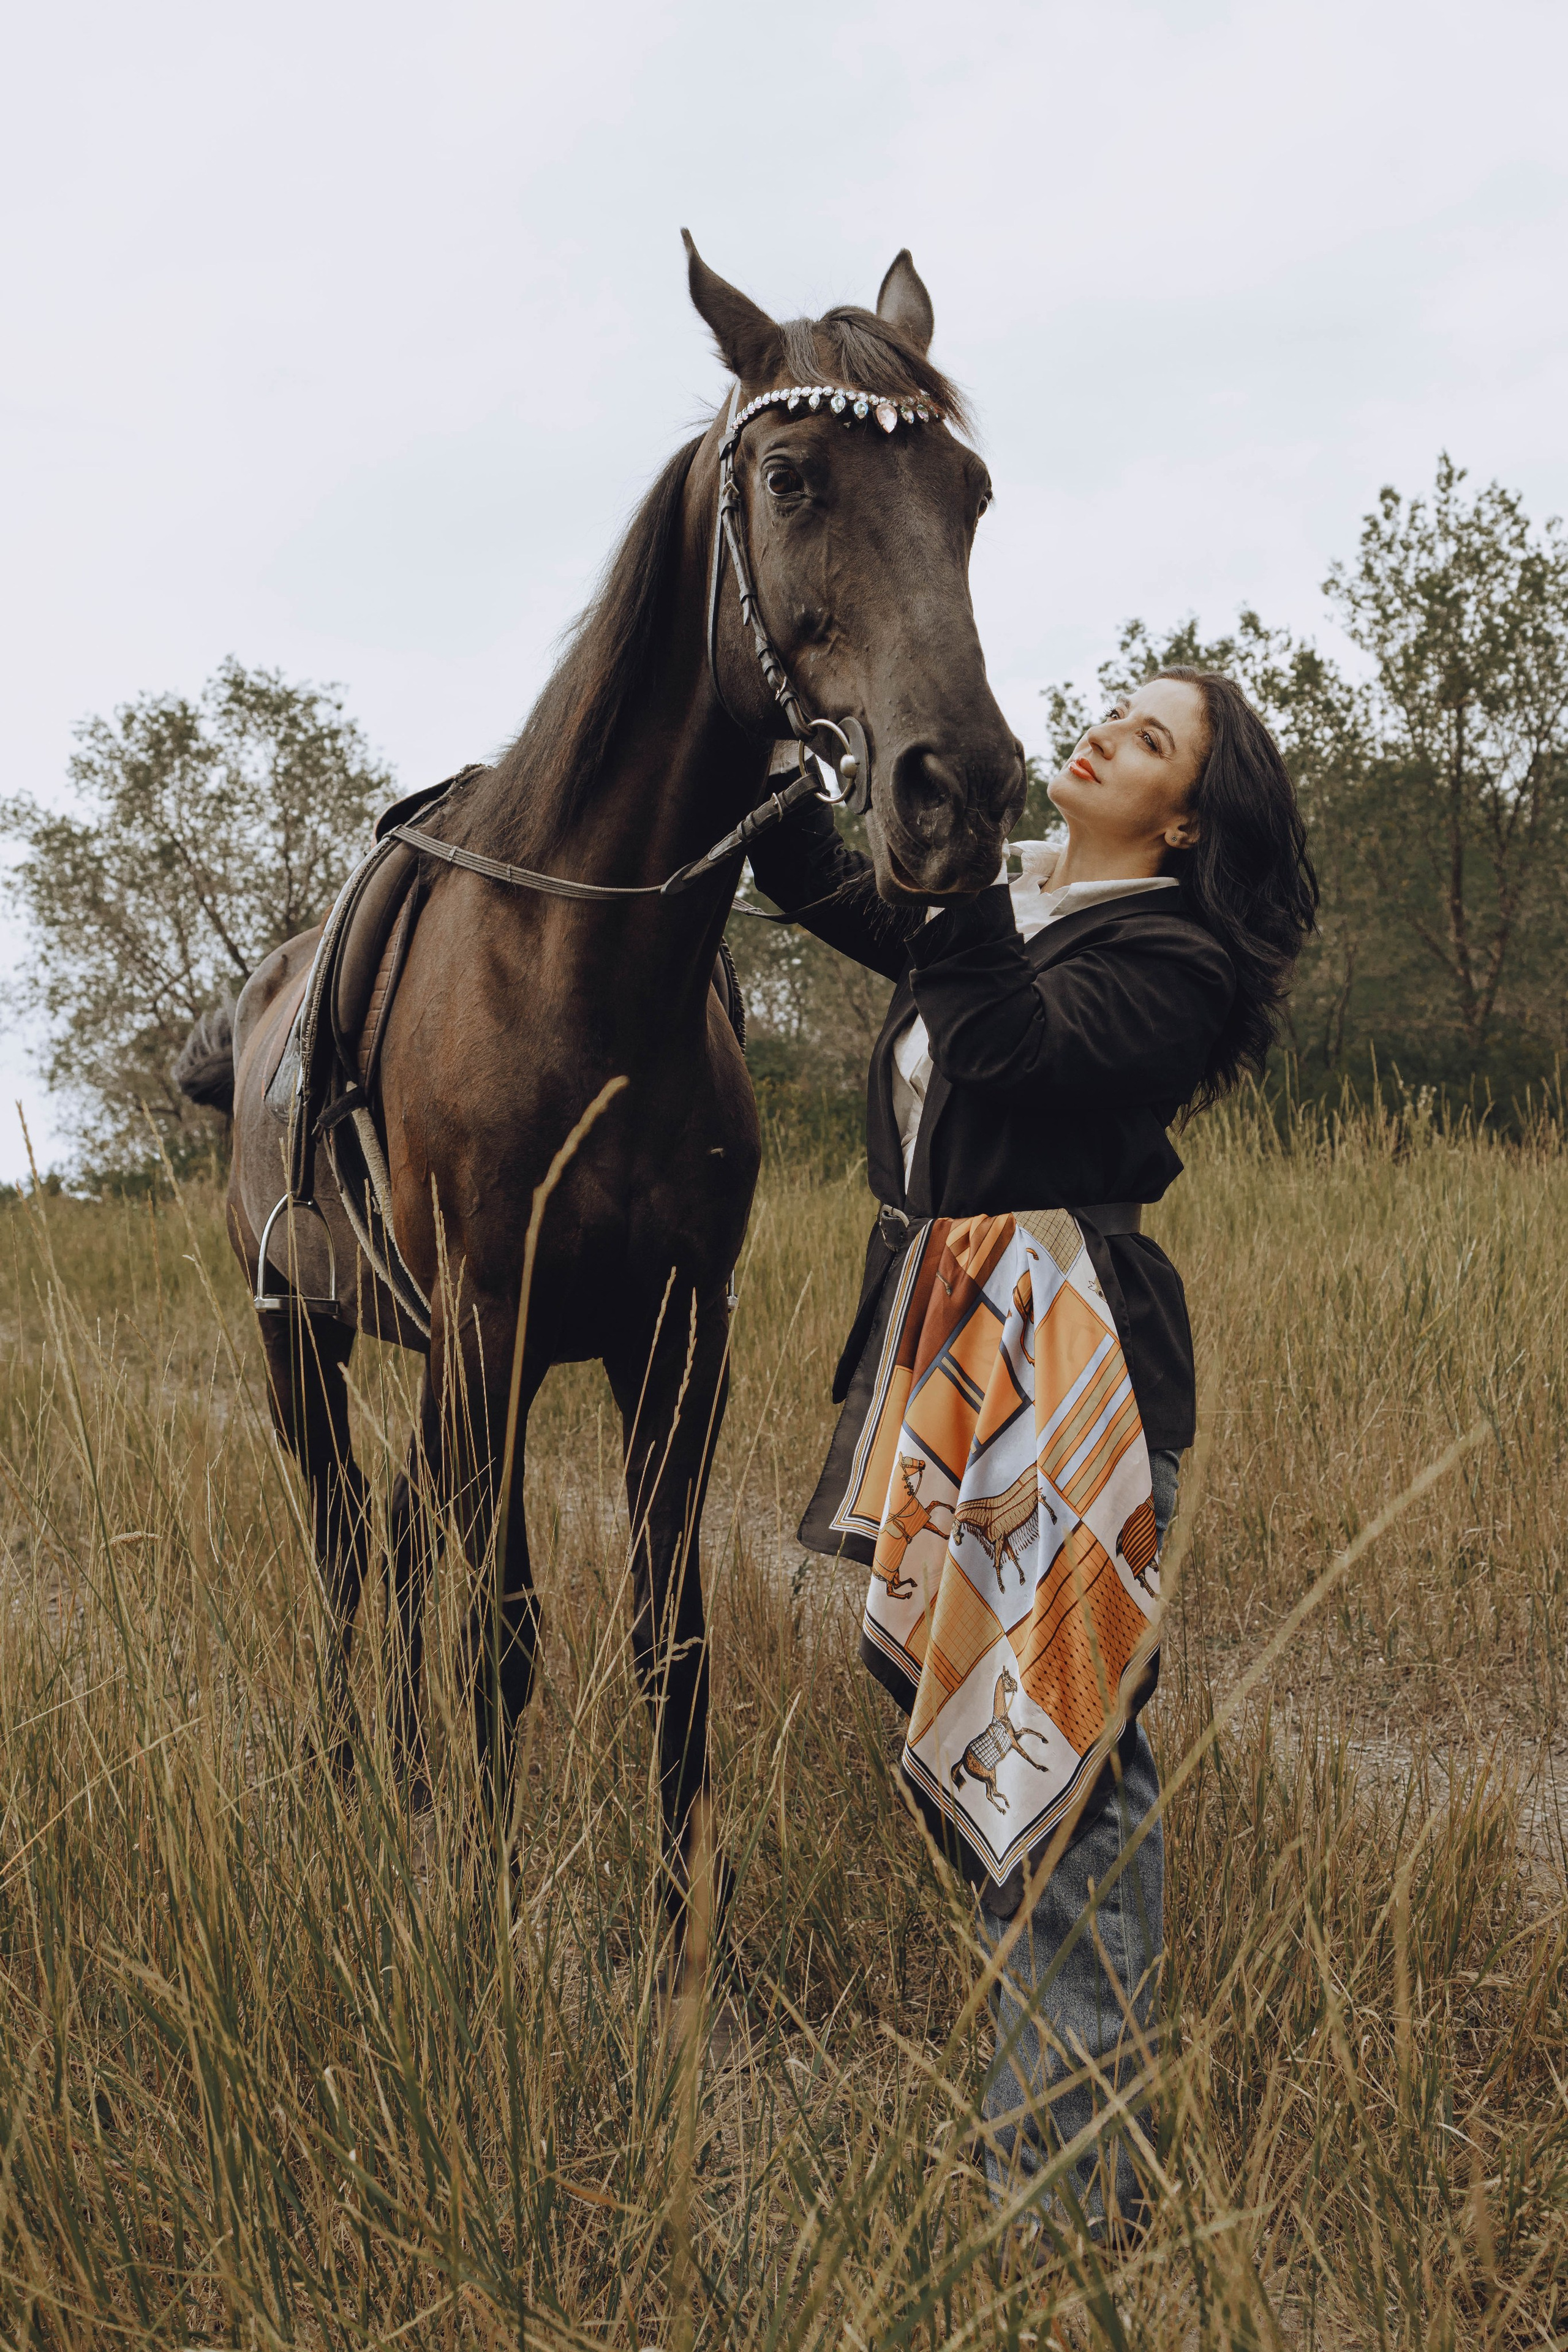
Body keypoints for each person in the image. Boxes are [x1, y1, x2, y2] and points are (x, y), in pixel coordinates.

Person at [747, 667, 1316, 2244]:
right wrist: (775, 752)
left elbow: (1000, 1049)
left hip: (1074, 1365)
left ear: (1184, 818)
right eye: (1116, 708)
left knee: (1067, 1768)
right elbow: (826, 891)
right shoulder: (1011, 903)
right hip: (952, 1342)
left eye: (1148, 740)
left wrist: (959, 869)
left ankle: (1067, 2197)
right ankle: (1056, 2131)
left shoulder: (1170, 956)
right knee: (993, 1751)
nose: (1105, 731)